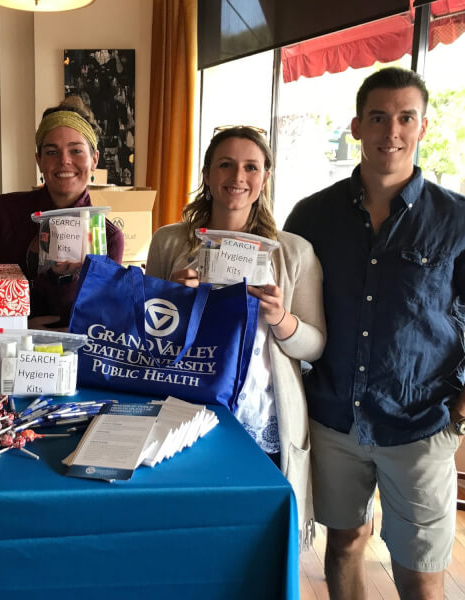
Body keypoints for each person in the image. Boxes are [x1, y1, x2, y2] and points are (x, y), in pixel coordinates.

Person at [284, 67, 465, 600]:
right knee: (343, 544)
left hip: (420, 427)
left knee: (420, 574)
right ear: (356, 127)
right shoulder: (312, 216)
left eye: (405, 118)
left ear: (423, 128)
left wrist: (460, 421)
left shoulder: (464, 221)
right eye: (378, 117)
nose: (391, 130)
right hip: (333, 420)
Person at [146, 126, 326, 546]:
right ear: (207, 173)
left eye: (251, 166)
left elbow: (316, 346)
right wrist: (171, 297)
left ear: (265, 176)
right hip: (183, 409)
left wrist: (282, 319)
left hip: (262, 416)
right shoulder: (169, 241)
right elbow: (145, 334)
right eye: (225, 164)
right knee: (187, 534)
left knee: (254, 540)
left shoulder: (295, 251)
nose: (237, 176)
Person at [0, 97, 123, 326]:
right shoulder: (1, 213)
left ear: (94, 159)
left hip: (69, 356)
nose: (64, 161)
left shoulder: (107, 238)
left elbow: (99, 319)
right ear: (39, 160)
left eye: (76, 151)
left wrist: (63, 281)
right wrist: (18, 328)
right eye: (51, 152)